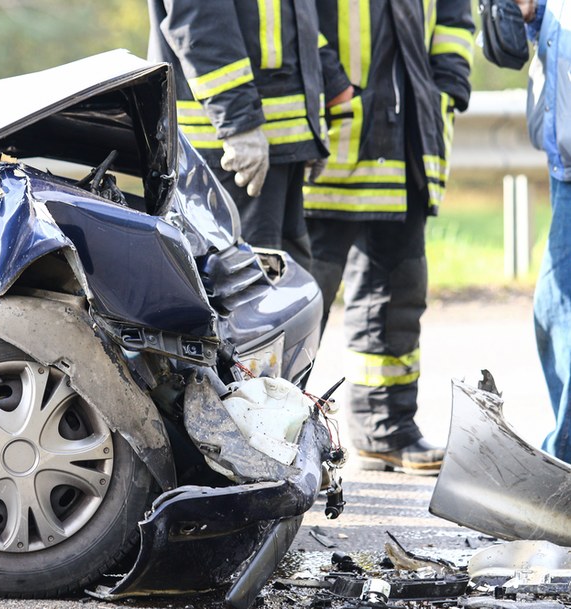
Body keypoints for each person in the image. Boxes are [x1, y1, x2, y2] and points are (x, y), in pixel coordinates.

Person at [304, 0, 474, 474]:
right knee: (300, 304)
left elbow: (455, 20)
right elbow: (291, 18)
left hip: (410, 138)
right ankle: (272, 436)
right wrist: (334, 85)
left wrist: (447, 87)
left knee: (398, 294)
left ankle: (388, 431)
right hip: (333, 139)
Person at [147, 0, 329, 270]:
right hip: (226, 147)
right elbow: (200, 23)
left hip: (275, 144)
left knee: (284, 283)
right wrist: (240, 123)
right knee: (243, 290)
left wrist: (312, 119)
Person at [512, 0, 571, 463]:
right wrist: (534, 14)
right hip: (564, 164)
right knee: (554, 310)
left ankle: (565, 458)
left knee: (560, 309)